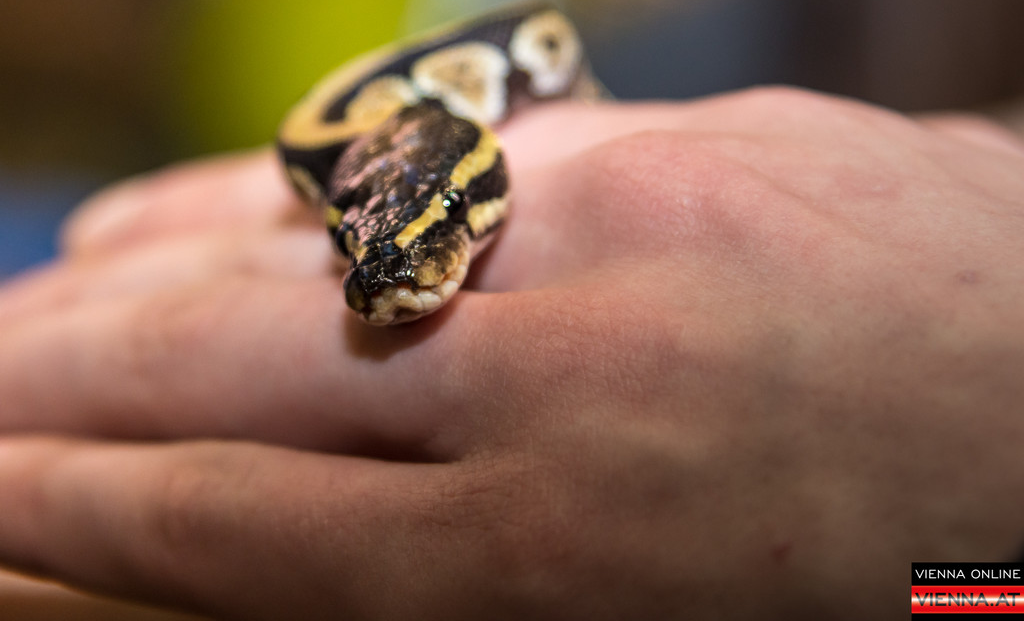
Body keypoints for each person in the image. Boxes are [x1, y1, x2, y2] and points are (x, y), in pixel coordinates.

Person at [0, 87, 1022, 620]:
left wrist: (966, 582)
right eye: (355, 251)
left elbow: (973, 594)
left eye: (447, 218)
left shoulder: (968, 581)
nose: (397, 279)